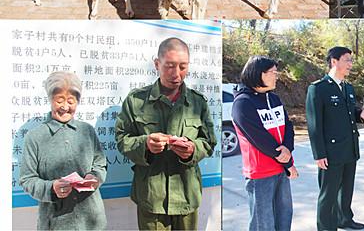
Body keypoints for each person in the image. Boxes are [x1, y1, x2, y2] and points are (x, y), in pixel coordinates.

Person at [115, 37, 216, 231]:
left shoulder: (197, 102)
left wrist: (193, 149)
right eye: (169, 66)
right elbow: (122, 139)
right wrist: (146, 144)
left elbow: (209, 141)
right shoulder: (136, 101)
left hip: (186, 194)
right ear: (157, 64)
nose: (176, 74)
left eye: (183, 67)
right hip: (151, 196)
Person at [19, 71, 107, 230]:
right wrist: (52, 187)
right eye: (59, 100)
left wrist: (94, 177)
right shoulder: (35, 137)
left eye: (71, 101)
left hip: (92, 222)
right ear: (50, 100)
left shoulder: (87, 131)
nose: (65, 107)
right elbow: (27, 179)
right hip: (55, 223)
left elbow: (100, 164)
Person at [306, 46, 364, 231]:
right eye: (347, 60)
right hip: (331, 151)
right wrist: (319, 154)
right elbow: (314, 125)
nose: (350, 64)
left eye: (351, 60)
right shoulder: (318, 89)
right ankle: (326, 227)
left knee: (346, 190)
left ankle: (345, 219)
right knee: (328, 194)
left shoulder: (347, 87)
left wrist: (361, 114)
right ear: (334, 61)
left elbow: (349, 111)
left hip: (349, 148)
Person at [231, 56, 298, 231]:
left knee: (284, 216)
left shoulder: (274, 99)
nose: (276, 76)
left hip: (280, 169)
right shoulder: (242, 103)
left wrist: (288, 150)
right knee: (263, 223)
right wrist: (287, 160)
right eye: (273, 72)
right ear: (258, 74)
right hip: (260, 174)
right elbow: (260, 138)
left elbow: (288, 126)